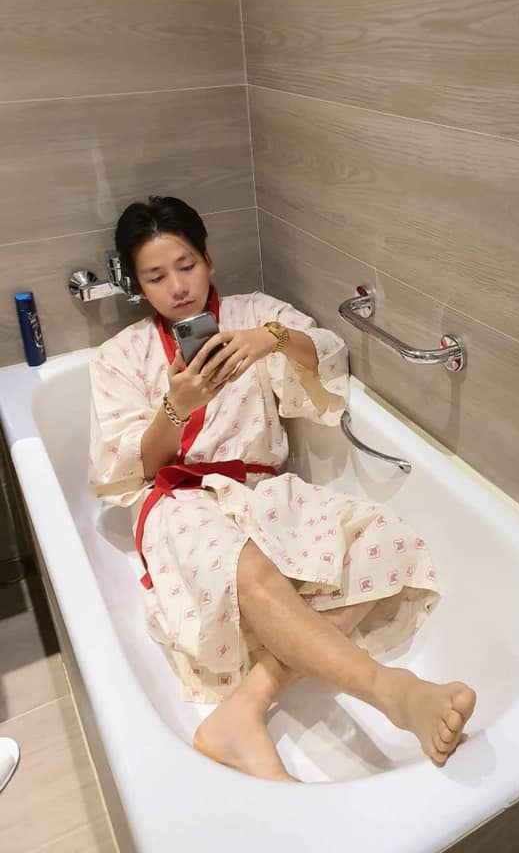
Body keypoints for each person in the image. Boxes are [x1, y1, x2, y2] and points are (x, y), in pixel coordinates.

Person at [88, 196, 476, 783]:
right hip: (179, 501)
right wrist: (176, 407)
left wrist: (271, 338)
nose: (178, 287)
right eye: (156, 277)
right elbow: (131, 469)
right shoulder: (118, 358)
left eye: (186, 265)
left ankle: (244, 708)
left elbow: (328, 355)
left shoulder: (254, 313)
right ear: (139, 288)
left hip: (260, 492)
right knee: (244, 566)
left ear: (209, 259)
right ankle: (391, 692)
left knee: (386, 539)